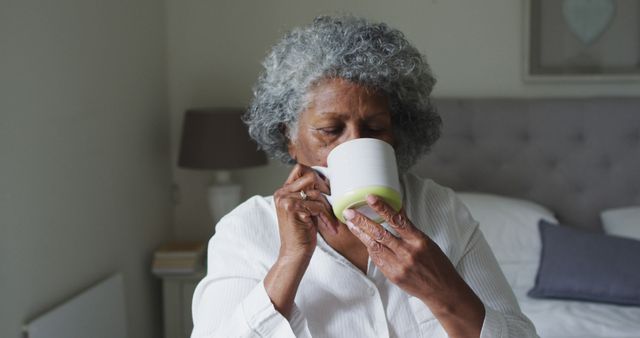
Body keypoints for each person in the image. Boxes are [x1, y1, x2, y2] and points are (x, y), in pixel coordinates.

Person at [191, 16, 538, 338]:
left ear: (397, 135)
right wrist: (290, 260)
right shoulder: (246, 231)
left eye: (375, 128)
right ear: (290, 139)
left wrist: (442, 290)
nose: (355, 143)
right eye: (330, 130)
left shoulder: (440, 211)